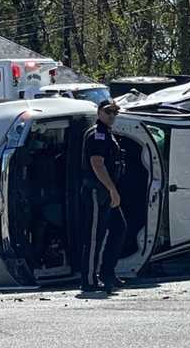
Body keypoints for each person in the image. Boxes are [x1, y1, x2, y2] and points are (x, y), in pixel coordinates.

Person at [80, 99, 127, 294]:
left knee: (119, 228)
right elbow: (97, 164)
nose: (112, 116)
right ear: (99, 112)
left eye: (115, 113)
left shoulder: (107, 134)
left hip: (106, 191)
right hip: (97, 191)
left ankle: (108, 273)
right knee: (95, 236)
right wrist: (111, 189)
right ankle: (89, 280)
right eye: (108, 112)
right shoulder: (97, 134)